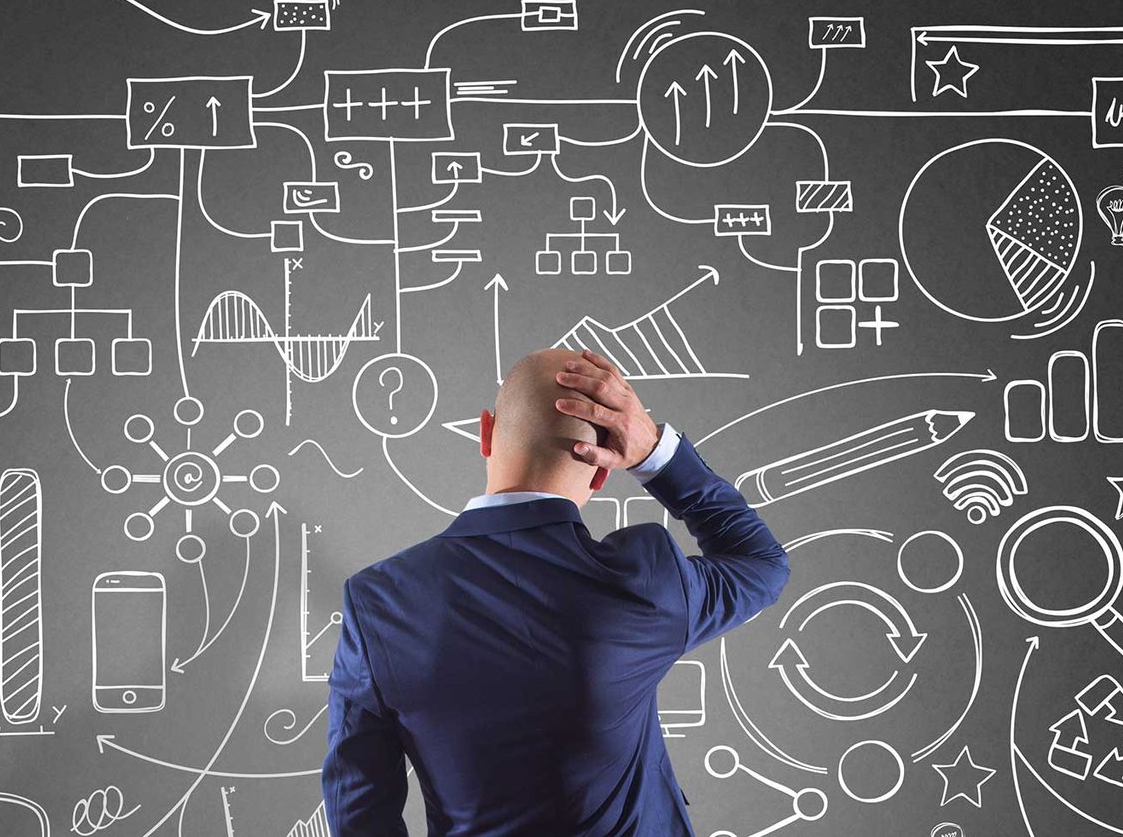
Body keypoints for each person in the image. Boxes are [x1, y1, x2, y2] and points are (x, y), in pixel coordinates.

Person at [322, 348, 791, 836]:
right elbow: (760, 564)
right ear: (604, 469)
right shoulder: (645, 582)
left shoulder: (376, 601)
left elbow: (358, 809)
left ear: (485, 432)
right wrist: (657, 454)